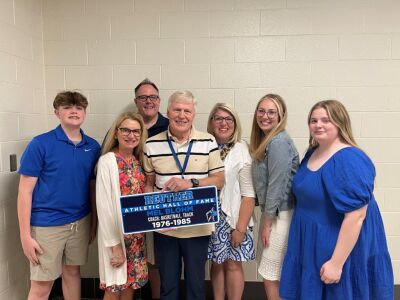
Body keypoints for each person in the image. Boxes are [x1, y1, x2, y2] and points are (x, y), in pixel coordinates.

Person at [280, 100, 394, 300]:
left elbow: (357, 216)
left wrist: (336, 263)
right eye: (313, 120)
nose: (318, 125)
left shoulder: (349, 158)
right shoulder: (313, 152)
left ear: (340, 123)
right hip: (311, 242)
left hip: (338, 248)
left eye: (326, 120)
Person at [17, 91, 100, 300]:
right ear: (57, 112)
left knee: (72, 273)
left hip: (80, 222)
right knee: (42, 284)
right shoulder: (40, 144)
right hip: (47, 225)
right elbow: (24, 192)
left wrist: (94, 222)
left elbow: (92, 188)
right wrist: (25, 236)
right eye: (67, 107)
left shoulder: (92, 146)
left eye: (79, 108)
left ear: (85, 113)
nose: (74, 111)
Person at [143, 91, 225, 300]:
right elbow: (148, 184)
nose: (182, 115)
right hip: (166, 228)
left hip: (197, 227)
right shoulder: (151, 145)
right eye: (177, 109)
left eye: (187, 111)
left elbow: (219, 180)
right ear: (168, 112)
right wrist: (151, 213)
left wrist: (191, 183)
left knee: (196, 286)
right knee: (167, 285)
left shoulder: (208, 142)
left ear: (194, 114)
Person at [249, 94, 299, 300]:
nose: (265, 116)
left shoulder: (278, 142)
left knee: (271, 276)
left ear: (281, 116)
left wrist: (266, 223)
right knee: (271, 274)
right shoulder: (267, 140)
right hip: (273, 214)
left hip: (280, 216)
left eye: (271, 112)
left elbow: (276, 186)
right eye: (261, 111)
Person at [96, 112, 149, 300]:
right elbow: (104, 207)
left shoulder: (139, 160)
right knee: (114, 287)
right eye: (125, 130)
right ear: (116, 133)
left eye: (136, 131)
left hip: (136, 236)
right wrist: (115, 245)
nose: (131, 135)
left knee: (130, 285)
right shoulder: (107, 161)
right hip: (116, 236)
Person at [207, 103, 256, 300]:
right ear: (211, 122)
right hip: (211, 216)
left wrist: (241, 228)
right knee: (216, 263)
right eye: (218, 118)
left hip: (235, 217)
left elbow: (249, 194)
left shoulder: (241, 149)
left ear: (235, 124)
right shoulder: (204, 146)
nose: (224, 123)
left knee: (233, 263)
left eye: (229, 119)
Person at [134, 78, 168, 300]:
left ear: (159, 100)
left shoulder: (170, 125)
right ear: (136, 101)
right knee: (134, 255)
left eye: (153, 97)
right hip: (132, 202)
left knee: (157, 258)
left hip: (161, 201)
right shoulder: (126, 125)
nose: (149, 101)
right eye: (143, 97)